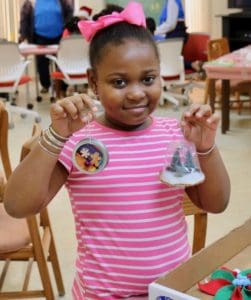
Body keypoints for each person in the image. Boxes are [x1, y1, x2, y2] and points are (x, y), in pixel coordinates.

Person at [4, 2, 230, 299]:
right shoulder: (78, 141)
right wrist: (55, 137)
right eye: (119, 82)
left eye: (148, 79)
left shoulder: (174, 136)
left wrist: (206, 148)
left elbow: (215, 203)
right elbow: (18, 205)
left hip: (167, 291)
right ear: (94, 82)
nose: (137, 92)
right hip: (102, 294)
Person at [19, 0, 73, 93]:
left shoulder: (62, 2)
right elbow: (24, 19)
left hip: (60, 36)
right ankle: (45, 85)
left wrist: (68, 28)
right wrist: (23, 35)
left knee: (62, 62)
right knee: (42, 63)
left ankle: (63, 87)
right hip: (39, 36)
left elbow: (69, 14)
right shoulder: (31, 2)